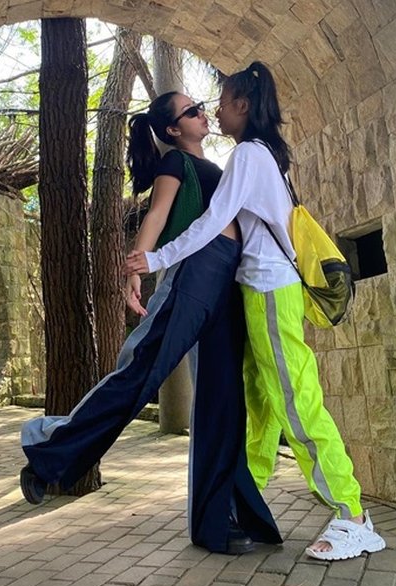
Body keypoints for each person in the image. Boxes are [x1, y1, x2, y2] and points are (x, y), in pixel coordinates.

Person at [125, 61, 385, 561]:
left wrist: (155, 259)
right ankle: (244, 501)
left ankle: (351, 514)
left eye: (221, 102)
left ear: (243, 105)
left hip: (271, 291)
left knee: (294, 401)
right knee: (261, 408)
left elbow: (212, 224)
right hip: (259, 293)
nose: (216, 111)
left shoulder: (247, 154)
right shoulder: (259, 155)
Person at [19, 91, 282, 555]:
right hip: (195, 271)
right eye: (192, 111)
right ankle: (47, 453)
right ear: (174, 129)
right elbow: (157, 216)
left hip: (228, 277)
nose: (203, 113)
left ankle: (219, 522)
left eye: (202, 106)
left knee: (224, 401)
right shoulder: (174, 164)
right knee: (142, 371)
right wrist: (134, 273)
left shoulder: (226, 165)